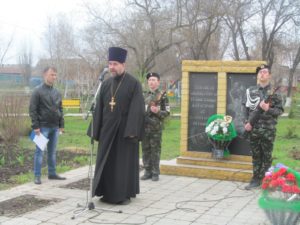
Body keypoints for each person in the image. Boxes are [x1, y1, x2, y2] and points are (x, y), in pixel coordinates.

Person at [90, 47, 145, 205]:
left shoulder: (134, 84)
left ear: (123, 64)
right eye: (110, 64)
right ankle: (105, 192)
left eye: (114, 64)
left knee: (122, 165)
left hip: (125, 132)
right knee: (106, 163)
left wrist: (132, 131)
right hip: (107, 131)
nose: (111, 67)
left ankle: (122, 195)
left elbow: (137, 109)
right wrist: (95, 130)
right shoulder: (106, 84)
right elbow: (99, 108)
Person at [242, 64, 283, 190]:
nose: (262, 74)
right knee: (256, 155)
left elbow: (279, 111)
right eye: (260, 72)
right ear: (257, 75)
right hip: (254, 129)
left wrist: (268, 109)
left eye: (265, 72)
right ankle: (256, 179)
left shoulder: (275, 93)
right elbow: (245, 108)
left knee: (267, 155)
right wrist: (246, 123)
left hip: (268, 129)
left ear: (269, 75)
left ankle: (267, 180)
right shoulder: (251, 90)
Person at [29, 66, 66, 185]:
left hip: (55, 127)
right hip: (42, 127)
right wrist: (35, 126)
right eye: (52, 74)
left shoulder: (57, 92)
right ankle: (37, 176)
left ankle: (52, 173)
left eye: (55, 75)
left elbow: (60, 108)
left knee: (52, 152)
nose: (54, 77)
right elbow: (32, 110)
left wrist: (61, 124)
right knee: (40, 152)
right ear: (45, 75)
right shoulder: (37, 91)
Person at [141, 72, 170, 181]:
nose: (151, 82)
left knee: (155, 150)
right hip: (144, 127)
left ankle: (155, 173)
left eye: (153, 80)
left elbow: (167, 112)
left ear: (158, 82)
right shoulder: (144, 94)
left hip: (155, 128)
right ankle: (147, 171)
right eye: (149, 80)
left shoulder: (162, 95)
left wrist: (158, 111)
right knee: (145, 150)